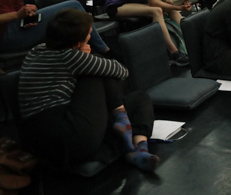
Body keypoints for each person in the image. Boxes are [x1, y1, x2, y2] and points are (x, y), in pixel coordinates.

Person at [18, 9, 159, 172]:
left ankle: (138, 147)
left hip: (45, 136)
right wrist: (87, 57)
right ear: (78, 42)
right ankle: (124, 124)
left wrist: (81, 55)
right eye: (89, 33)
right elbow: (121, 71)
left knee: (140, 98)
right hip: (63, 137)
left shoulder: (35, 51)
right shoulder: (69, 57)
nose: (91, 35)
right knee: (97, 71)